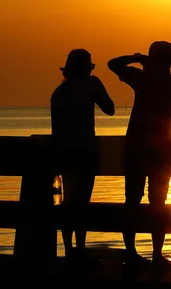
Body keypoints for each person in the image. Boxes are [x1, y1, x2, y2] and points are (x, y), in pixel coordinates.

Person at [108, 41, 171, 275]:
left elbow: (112, 64)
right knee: (159, 204)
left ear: (152, 60)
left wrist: (137, 58)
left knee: (131, 202)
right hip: (162, 151)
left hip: (136, 148)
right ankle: (156, 255)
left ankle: (132, 252)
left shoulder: (141, 79)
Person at [50, 49, 115, 265]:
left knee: (68, 203)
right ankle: (80, 249)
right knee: (83, 204)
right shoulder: (92, 85)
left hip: (65, 152)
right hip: (86, 151)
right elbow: (110, 109)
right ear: (87, 68)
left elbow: (55, 129)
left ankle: (69, 251)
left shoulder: (59, 92)